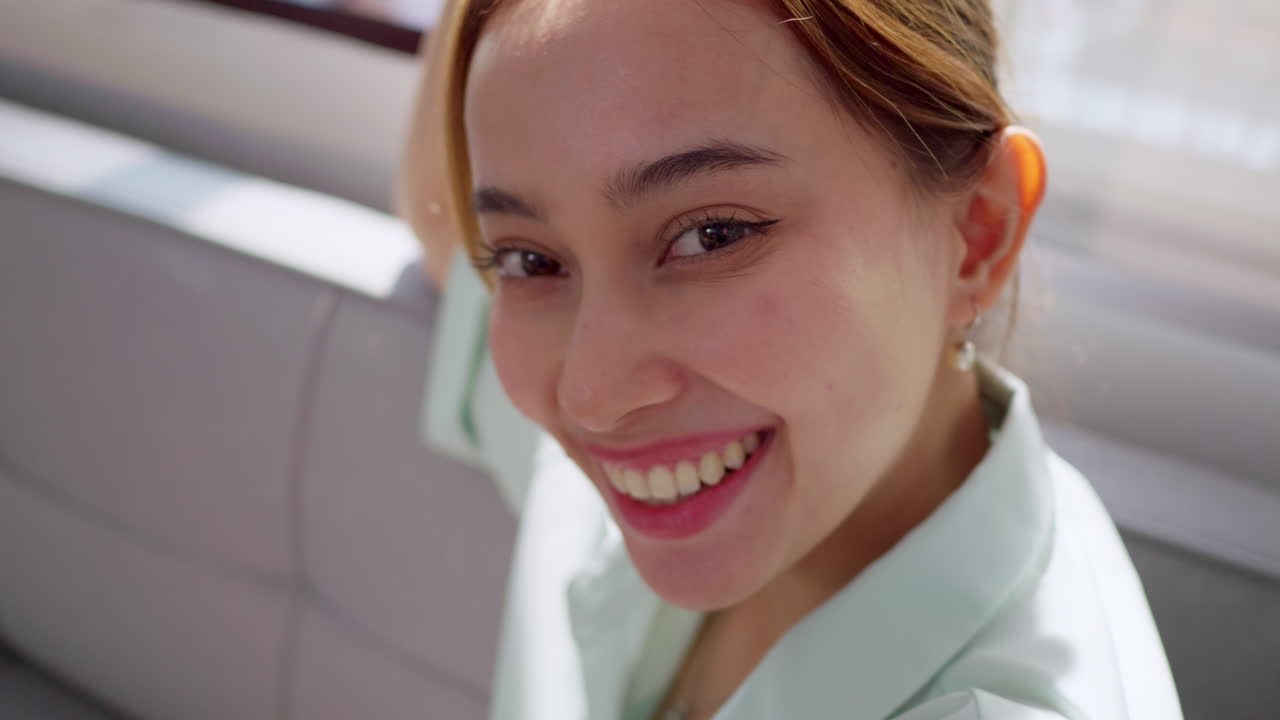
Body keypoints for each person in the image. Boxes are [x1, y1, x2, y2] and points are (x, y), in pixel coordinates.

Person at [400, 1, 1184, 718]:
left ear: (978, 232)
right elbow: (440, 217)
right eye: (530, 260)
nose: (591, 398)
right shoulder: (648, 459)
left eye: (712, 236)